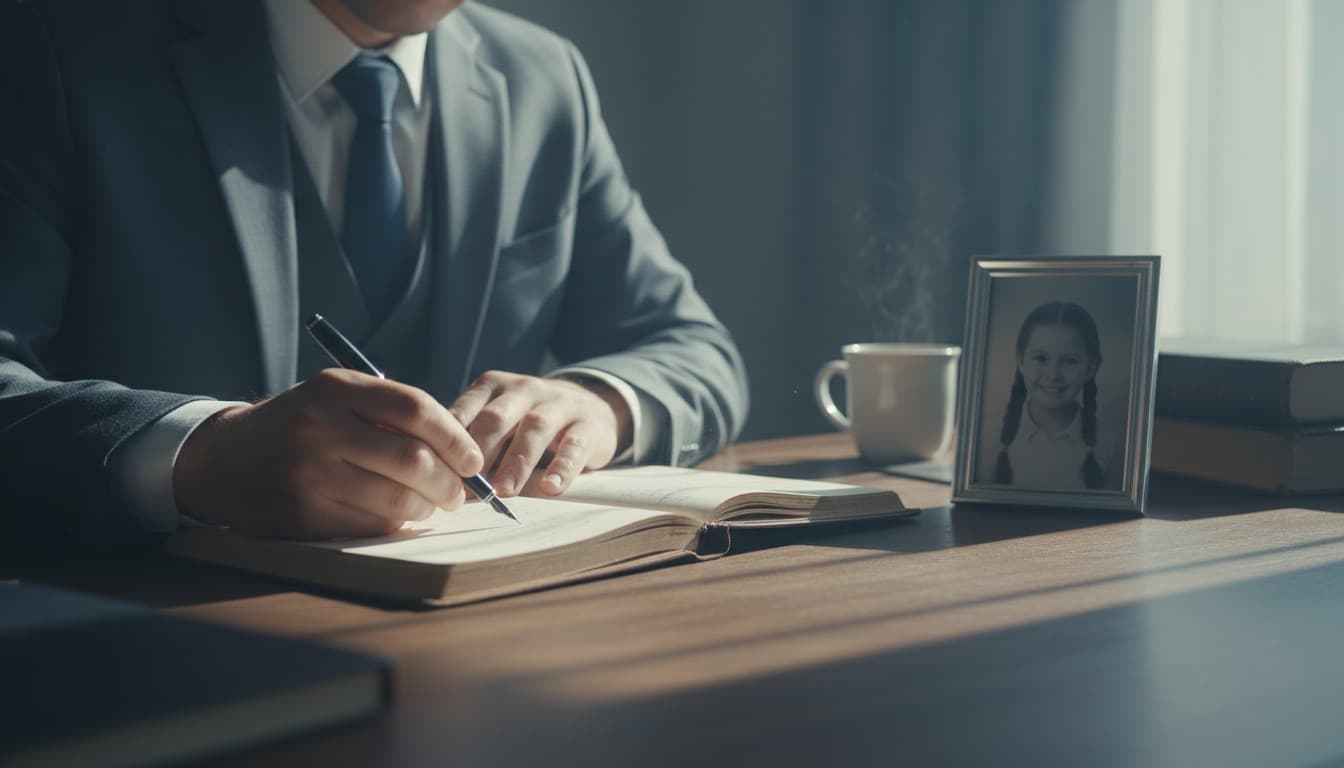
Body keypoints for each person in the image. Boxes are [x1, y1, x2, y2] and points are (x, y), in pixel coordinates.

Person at [0, 0, 748, 546]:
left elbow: (692, 347)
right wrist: (203, 458)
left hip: (480, 658)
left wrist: (597, 403)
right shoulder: (55, 42)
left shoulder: (542, 80)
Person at [991, 301, 1111, 491]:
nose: (1053, 374)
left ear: (1092, 368)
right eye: (1040, 358)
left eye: (1069, 361)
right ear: (1021, 361)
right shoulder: (989, 436)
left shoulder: (1110, 444)